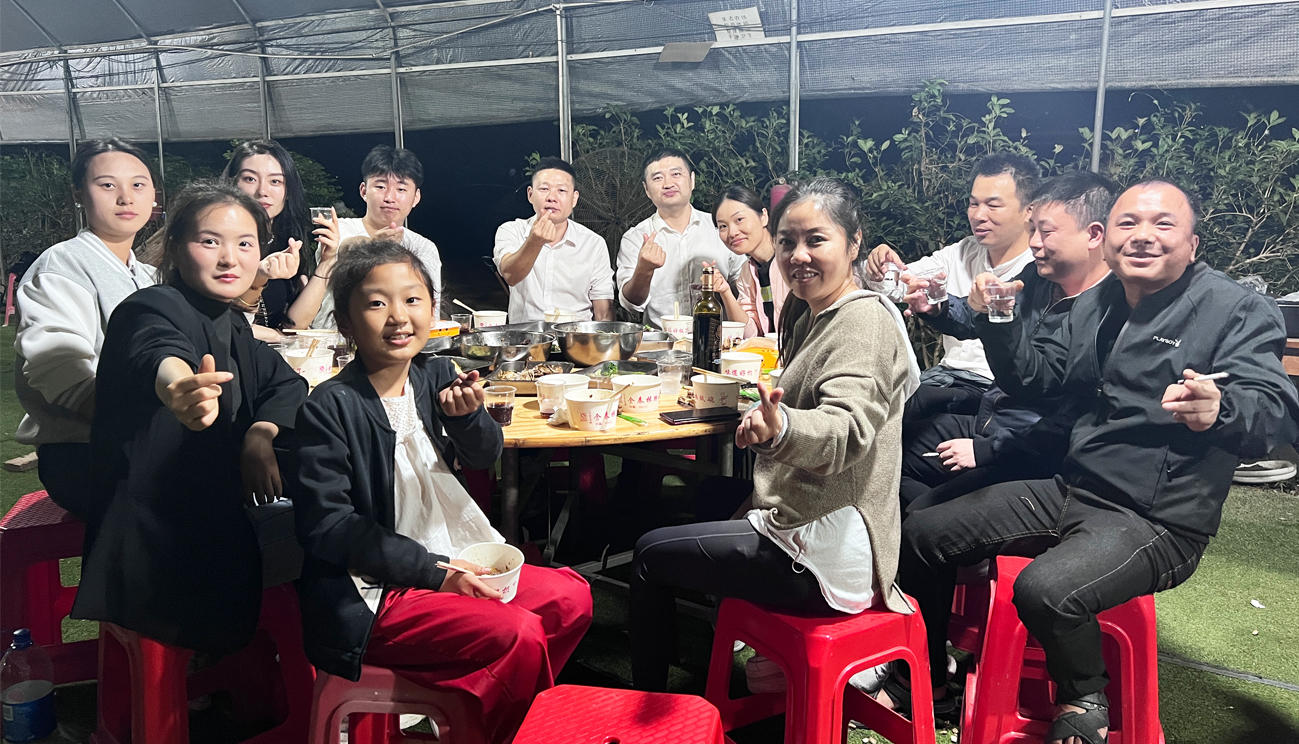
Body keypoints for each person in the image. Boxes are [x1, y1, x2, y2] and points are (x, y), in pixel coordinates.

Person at [897, 181, 1299, 744]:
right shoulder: (1097, 303)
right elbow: (1036, 378)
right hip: (1073, 487)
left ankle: (1083, 698)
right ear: (1106, 238)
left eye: (1163, 224)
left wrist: (1220, 408)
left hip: (1158, 518)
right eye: (1128, 223)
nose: (1142, 236)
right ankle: (927, 680)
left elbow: (1278, 408)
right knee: (921, 531)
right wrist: (998, 318)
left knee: (1045, 588)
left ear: (1193, 244)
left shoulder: (1234, 309)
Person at [288, 239, 592, 743]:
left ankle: (482, 708)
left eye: (412, 299)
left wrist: (468, 417)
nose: (398, 317)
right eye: (376, 302)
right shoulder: (330, 407)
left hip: (452, 559)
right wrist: (437, 573)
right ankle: (507, 725)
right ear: (345, 322)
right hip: (376, 592)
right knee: (516, 633)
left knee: (569, 597)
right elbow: (330, 529)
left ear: (433, 309)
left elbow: (484, 456)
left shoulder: (435, 375)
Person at [628, 178, 920, 693]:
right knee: (713, 496)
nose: (798, 255)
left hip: (828, 551)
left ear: (854, 243)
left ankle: (650, 707)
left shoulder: (863, 323)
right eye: (787, 242)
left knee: (650, 554)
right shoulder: (811, 311)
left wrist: (782, 428)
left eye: (816, 240)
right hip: (810, 515)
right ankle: (758, 653)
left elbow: (845, 429)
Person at [71, 180, 308, 654]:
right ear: (177, 247)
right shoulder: (152, 306)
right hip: (158, 539)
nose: (229, 259)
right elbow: (157, 350)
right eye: (210, 241)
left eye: (245, 244)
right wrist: (180, 389)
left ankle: (261, 665)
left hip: (213, 507)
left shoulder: (230, 322)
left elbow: (285, 382)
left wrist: (259, 435)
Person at [898, 172, 1116, 511]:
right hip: (993, 420)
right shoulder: (1039, 279)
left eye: (1046, 232)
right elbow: (973, 316)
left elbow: (1031, 382)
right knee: (882, 454)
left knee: (922, 517)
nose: (1034, 243)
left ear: (1093, 234)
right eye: (1033, 230)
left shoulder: (1107, 313)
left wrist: (986, 450)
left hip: (1031, 452)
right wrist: (938, 307)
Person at [13, 138, 159, 519]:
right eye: (107, 184)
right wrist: (152, 425)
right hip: (85, 454)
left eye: (138, 184)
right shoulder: (62, 265)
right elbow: (61, 368)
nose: (126, 197)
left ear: (153, 195)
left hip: (136, 440)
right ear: (79, 193)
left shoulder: (145, 275)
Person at [866, 152, 1040, 418]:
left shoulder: (1041, 266)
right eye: (973, 204)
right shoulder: (962, 252)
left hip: (995, 389)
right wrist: (882, 268)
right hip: (946, 377)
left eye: (993, 205)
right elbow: (901, 283)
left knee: (901, 409)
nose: (978, 215)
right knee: (876, 395)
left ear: (1029, 211)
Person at [311, 144, 442, 328]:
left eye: (401, 189)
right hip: (334, 338)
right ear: (364, 191)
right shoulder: (338, 229)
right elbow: (345, 248)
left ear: (416, 198)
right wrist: (375, 245)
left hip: (399, 338)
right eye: (380, 186)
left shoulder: (424, 247)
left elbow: (431, 313)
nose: (389, 197)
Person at [222, 139, 340, 333]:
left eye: (275, 181)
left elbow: (295, 324)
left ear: (288, 191)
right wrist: (259, 277)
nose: (262, 191)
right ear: (232, 184)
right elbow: (222, 325)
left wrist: (327, 262)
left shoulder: (288, 240)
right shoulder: (217, 243)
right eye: (250, 179)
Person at [616, 148, 743, 329]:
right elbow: (630, 304)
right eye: (657, 178)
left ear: (692, 180)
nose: (668, 184)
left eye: (676, 174)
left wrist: (724, 287)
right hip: (662, 341)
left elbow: (745, 288)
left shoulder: (720, 228)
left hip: (717, 338)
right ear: (646, 189)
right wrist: (644, 270)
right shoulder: (635, 238)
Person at [493, 156, 615, 322]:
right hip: (525, 335)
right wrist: (534, 242)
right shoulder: (511, 231)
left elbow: (604, 313)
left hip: (576, 334)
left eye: (562, 190)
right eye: (544, 189)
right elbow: (510, 275)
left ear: (574, 199)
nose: (552, 197)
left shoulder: (593, 243)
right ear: (530, 194)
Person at [713, 184, 788, 338]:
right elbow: (749, 334)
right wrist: (725, 291)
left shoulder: (792, 261)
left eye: (739, 219)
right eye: (723, 226)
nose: (732, 232)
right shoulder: (747, 272)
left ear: (764, 217)